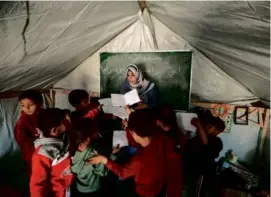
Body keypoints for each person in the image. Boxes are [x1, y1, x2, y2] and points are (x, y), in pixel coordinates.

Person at [89, 109, 183, 197]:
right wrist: (130, 127)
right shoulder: (162, 138)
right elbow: (139, 141)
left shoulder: (139, 160)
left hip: (145, 192)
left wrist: (104, 160)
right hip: (159, 185)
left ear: (134, 133)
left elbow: (122, 172)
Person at [30, 108, 73, 197]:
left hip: (67, 188)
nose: (69, 122)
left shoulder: (63, 136)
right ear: (54, 130)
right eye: (66, 121)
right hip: (57, 193)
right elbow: (37, 184)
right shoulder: (42, 154)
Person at [71, 119, 119, 197]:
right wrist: (113, 155)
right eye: (94, 132)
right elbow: (103, 172)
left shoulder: (71, 149)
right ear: (87, 138)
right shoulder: (92, 154)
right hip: (92, 189)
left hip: (79, 188)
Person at [183, 110, 225, 197]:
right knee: (190, 191)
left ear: (217, 131)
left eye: (210, 126)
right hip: (190, 171)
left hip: (202, 174)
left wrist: (198, 125)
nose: (207, 127)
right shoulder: (199, 137)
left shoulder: (217, 142)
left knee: (197, 193)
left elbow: (205, 143)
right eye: (207, 125)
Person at [14, 90, 44, 175]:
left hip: (47, 151)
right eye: (22, 105)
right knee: (35, 174)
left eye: (30, 105)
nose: (26, 109)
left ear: (40, 103)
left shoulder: (44, 114)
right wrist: (37, 139)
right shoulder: (23, 122)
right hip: (32, 154)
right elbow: (21, 139)